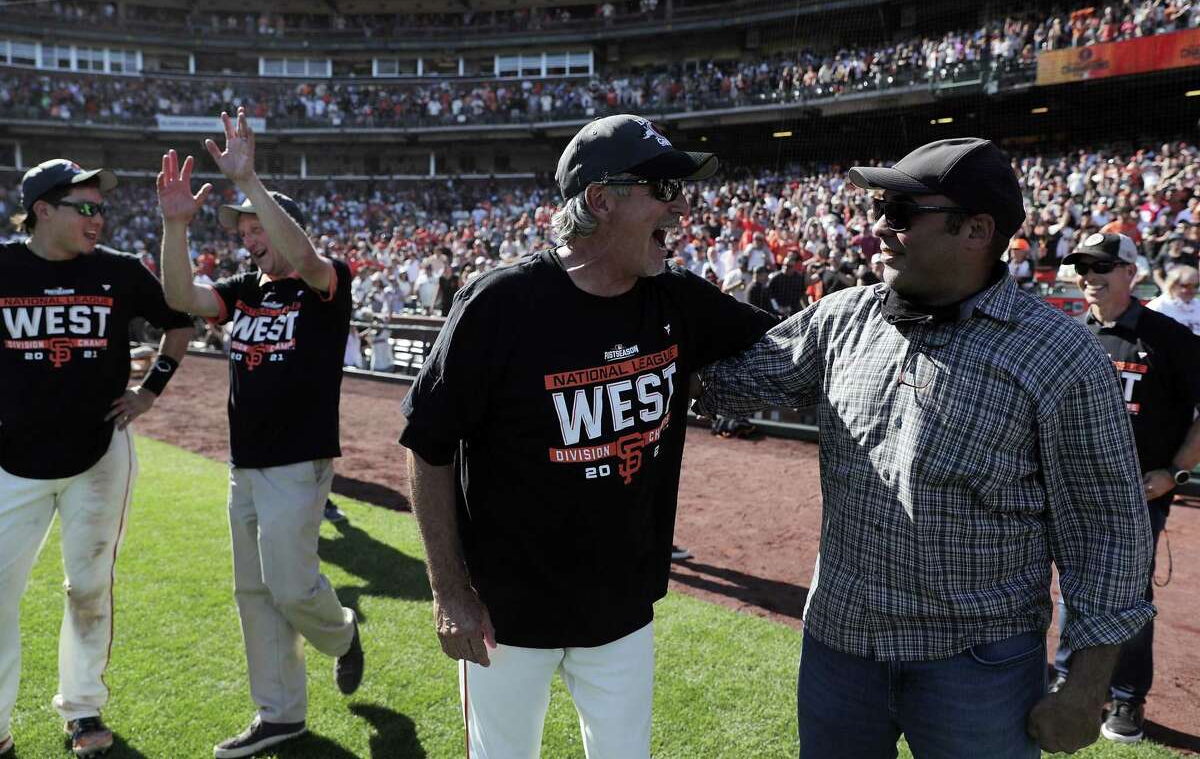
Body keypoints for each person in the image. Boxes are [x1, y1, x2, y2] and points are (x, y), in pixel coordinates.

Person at [697, 138, 1155, 758]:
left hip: (976, 664)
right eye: (880, 209)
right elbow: (727, 382)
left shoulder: (1059, 356)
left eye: (902, 213)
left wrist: (1085, 688)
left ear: (976, 229)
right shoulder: (843, 317)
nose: (878, 227)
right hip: (840, 647)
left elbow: (1108, 532)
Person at [400, 113, 775, 759]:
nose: (681, 208)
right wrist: (448, 591)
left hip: (622, 608)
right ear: (601, 200)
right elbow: (427, 444)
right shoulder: (500, 303)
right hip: (506, 614)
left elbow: (784, 345)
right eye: (663, 190)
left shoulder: (679, 298)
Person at [156, 111, 363, 759]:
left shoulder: (323, 283)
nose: (248, 240)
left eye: (255, 228)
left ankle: (344, 635)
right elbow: (180, 295)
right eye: (242, 230)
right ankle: (280, 713)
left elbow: (302, 255)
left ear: (279, 223)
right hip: (244, 462)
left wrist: (249, 178)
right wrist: (175, 225)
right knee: (254, 591)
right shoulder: (244, 291)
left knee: (292, 586)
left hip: (298, 460)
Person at [0, 159, 193, 757]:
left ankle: (82, 710)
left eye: (101, 207)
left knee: (88, 587)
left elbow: (178, 325)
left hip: (98, 455)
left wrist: (150, 390)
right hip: (11, 460)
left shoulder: (118, 271)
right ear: (43, 210)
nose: (98, 218)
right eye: (85, 207)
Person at [1052, 233, 1200, 743]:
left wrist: (1175, 472)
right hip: (1075, 492)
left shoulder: (1172, 337)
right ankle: (1071, 681)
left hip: (1139, 494)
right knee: (1074, 588)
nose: (1090, 276)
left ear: (1131, 273)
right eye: (1082, 267)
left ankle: (1127, 698)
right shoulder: (1069, 335)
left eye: (1102, 267)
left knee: (1130, 596)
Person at [1146, 265, 1200, 334]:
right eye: (1187, 286)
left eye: (1196, 286)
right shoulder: (1157, 307)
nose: (1192, 290)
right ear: (1172, 284)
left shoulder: (1198, 304)